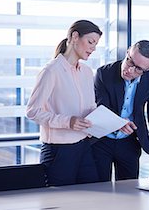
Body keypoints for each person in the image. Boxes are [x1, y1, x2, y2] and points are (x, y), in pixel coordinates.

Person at [26, 20, 102, 186]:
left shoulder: (87, 72)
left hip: (84, 147)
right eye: (90, 42)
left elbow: (90, 107)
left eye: (96, 44)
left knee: (92, 202)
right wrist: (68, 121)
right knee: (58, 205)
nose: (93, 48)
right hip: (58, 151)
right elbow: (33, 111)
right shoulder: (51, 71)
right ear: (75, 37)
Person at [93, 40, 149, 181]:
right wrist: (119, 122)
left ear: (148, 69)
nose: (130, 70)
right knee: (99, 189)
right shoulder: (104, 73)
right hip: (101, 141)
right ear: (127, 52)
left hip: (130, 141)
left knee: (129, 191)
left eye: (139, 69)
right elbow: (102, 108)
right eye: (130, 61)